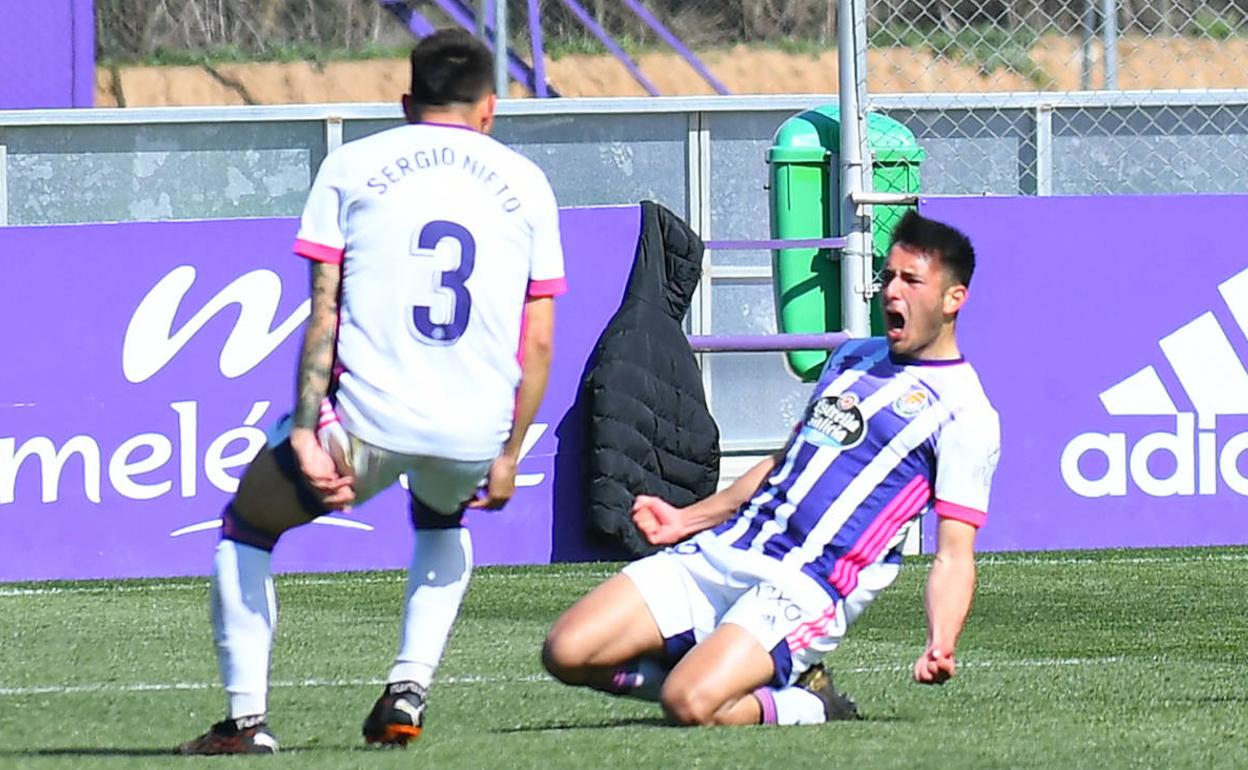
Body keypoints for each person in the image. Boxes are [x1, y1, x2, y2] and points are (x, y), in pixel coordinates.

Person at [178, 29, 566, 754]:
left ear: (406, 102)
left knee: (248, 525)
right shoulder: (527, 182)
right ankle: (409, 686)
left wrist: (304, 430)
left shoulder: (352, 166)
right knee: (441, 520)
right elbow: (538, 339)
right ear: (490, 107)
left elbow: (324, 308)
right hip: (474, 427)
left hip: (366, 421)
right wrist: (509, 452)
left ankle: (244, 723)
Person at [542, 210, 999, 727]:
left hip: (805, 585)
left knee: (689, 704)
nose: (892, 291)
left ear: (953, 298)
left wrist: (941, 640)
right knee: (567, 651)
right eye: (888, 276)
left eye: (911, 281)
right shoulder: (852, 358)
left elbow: (954, 554)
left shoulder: (966, 413)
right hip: (727, 549)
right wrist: (685, 520)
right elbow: (785, 465)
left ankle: (811, 702)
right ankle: (718, 669)